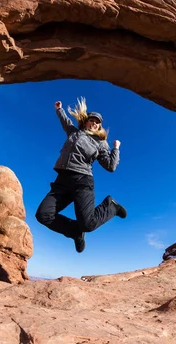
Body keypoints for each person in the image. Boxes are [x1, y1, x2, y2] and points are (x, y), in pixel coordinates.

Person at [36, 97, 127, 253]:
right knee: (43, 215)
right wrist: (59, 110)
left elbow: (110, 166)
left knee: (88, 224)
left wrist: (116, 149)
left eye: (97, 122)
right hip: (62, 182)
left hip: (82, 182)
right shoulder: (74, 132)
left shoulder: (100, 143)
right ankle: (74, 231)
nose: (95, 123)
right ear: (85, 122)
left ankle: (111, 206)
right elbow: (66, 122)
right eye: (92, 120)